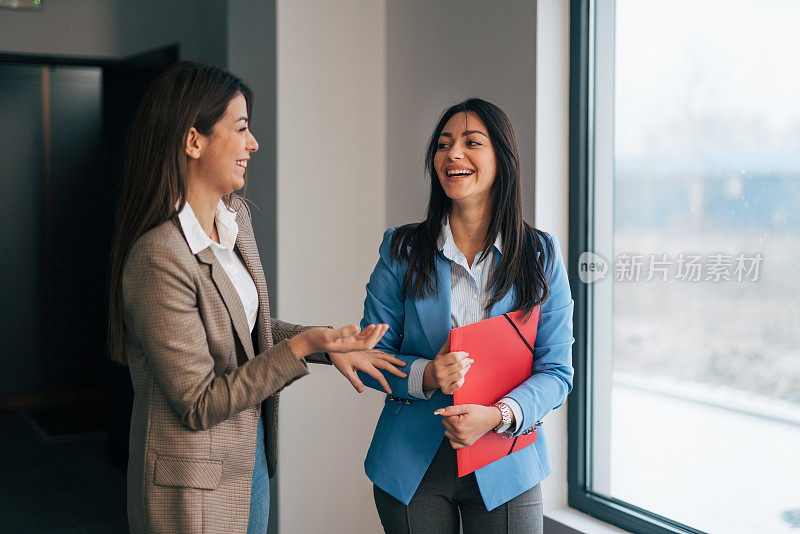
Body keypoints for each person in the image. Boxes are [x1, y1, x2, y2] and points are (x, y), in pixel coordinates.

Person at [107, 61, 406, 534]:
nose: (254, 144)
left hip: (247, 460)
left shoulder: (235, 220)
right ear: (193, 141)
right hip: (191, 484)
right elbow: (199, 403)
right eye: (242, 128)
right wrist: (302, 348)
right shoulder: (158, 257)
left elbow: (245, 336)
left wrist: (323, 342)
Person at [356, 98, 574, 533]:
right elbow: (370, 356)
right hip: (413, 461)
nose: (453, 154)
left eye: (471, 142)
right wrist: (428, 375)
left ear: (502, 160)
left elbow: (556, 371)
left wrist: (499, 416)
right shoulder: (400, 249)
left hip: (507, 458)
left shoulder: (540, 254)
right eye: (443, 144)